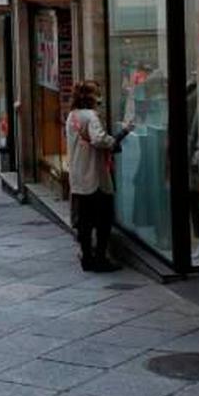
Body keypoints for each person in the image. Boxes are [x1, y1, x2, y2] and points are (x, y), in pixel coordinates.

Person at [66, 81, 132, 272]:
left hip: (78, 176)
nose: (100, 98)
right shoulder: (91, 116)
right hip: (95, 176)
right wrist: (120, 136)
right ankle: (101, 258)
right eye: (97, 94)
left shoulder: (72, 116)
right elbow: (99, 139)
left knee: (84, 222)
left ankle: (87, 257)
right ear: (91, 97)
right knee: (103, 220)